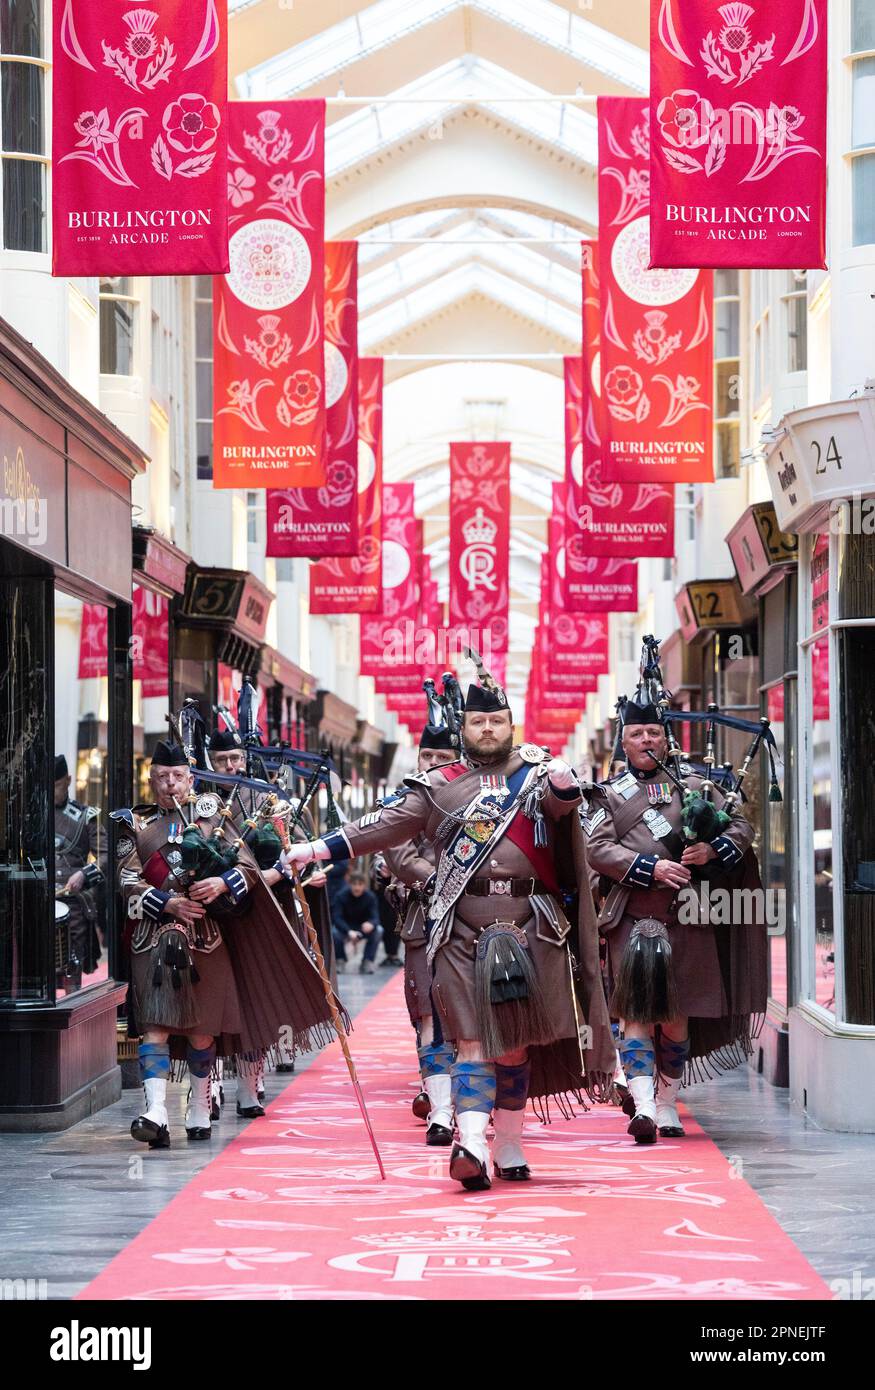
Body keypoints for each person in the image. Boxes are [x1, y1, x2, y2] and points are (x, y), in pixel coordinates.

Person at [282, 657, 615, 1192]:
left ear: (512, 725)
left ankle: (508, 1140)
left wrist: (565, 791)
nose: (488, 729)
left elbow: (561, 814)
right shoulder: (437, 785)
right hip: (462, 927)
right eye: (479, 723)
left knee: (515, 1045)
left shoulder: (536, 773)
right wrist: (314, 848)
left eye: (497, 721)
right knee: (471, 1041)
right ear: (463, 729)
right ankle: (473, 1144)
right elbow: (381, 826)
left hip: (535, 925)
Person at [113, 740, 335, 1149]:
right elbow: (126, 880)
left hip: (208, 939)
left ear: (190, 778)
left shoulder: (213, 817)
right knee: (154, 1027)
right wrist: (169, 903)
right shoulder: (137, 825)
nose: (170, 785)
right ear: (150, 779)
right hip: (155, 939)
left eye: (177, 776)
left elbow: (248, 865)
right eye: (162, 777)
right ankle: (155, 1111)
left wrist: (221, 882)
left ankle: (198, 1107)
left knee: (202, 1032)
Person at [585, 666, 768, 1145]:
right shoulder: (608, 796)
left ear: (665, 739)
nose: (646, 740)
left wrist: (711, 851)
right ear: (623, 743)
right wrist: (650, 867)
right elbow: (597, 850)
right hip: (634, 918)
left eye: (653, 732)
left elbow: (740, 827)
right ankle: (643, 1105)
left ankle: (667, 1102)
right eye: (636, 733)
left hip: (687, 917)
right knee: (635, 1014)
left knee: (677, 1015)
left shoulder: (697, 785)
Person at [383, 692, 460, 1144]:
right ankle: (440, 1112)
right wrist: (439, 880)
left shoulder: (478, 797)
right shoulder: (405, 799)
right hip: (422, 922)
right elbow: (397, 852)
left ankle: (465, 1102)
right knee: (428, 1015)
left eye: (442, 755)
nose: (432, 762)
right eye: (426, 754)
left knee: (466, 1017)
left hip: (473, 922)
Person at [54, 755, 106, 989]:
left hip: (73, 901)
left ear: (68, 780)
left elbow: (105, 855)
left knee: (71, 966)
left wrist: (84, 874)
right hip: (38, 901)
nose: (52, 791)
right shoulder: (32, 817)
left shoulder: (87, 816)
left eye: (56, 785)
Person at [332, 871, 382, 974]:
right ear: (350, 884)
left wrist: (371, 924)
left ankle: (367, 961)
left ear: (364, 885)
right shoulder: (340, 896)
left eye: (360, 884)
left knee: (379, 931)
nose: (357, 888)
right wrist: (348, 931)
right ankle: (340, 960)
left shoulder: (370, 897)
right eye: (354, 884)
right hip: (345, 928)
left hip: (363, 928)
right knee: (334, 932)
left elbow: (376, 917)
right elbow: (337, 918)